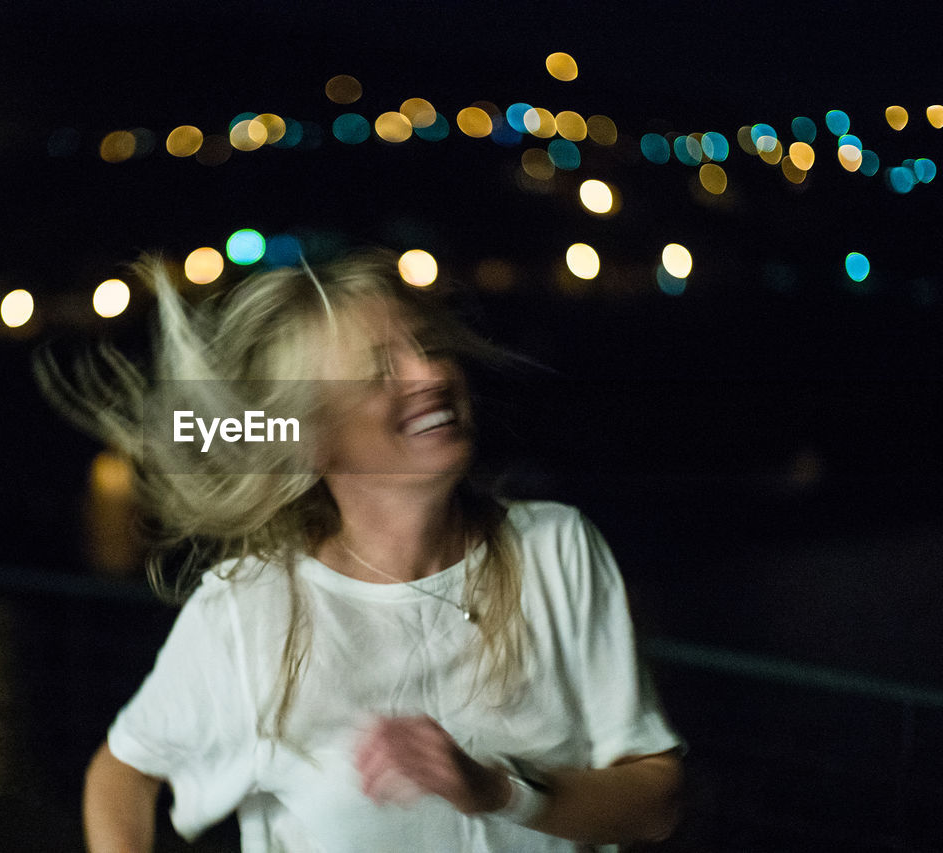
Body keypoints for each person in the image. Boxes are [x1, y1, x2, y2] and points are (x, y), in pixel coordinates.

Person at [40, 251, 684, 853]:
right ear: (312, 436)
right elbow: (121, 774)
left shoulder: (556, 550)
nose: (431, 374)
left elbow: (656, 802)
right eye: (379, 370)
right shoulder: (248, 610)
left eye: (429, 347)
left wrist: (497, 789)